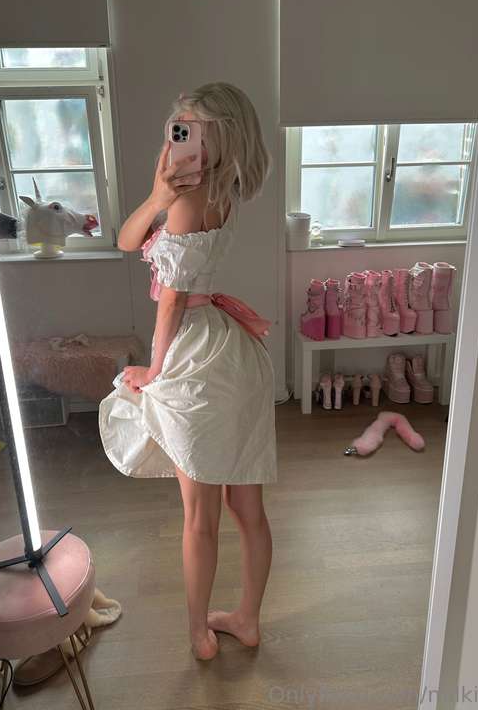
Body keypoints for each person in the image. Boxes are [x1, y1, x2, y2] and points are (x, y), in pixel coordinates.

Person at [98, 82, 278, 661]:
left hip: (194, 355)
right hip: (232, 353)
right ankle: (247, 620)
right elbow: (127, 240)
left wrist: (154, 368)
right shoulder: (219, 192)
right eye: (178, 126)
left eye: (191, 128)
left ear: (219, 135)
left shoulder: (188, 202)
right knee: (246, 507)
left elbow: (172, 298)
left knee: (200, 516)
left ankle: (200, 634)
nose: (179, 137)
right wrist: (156, 194)